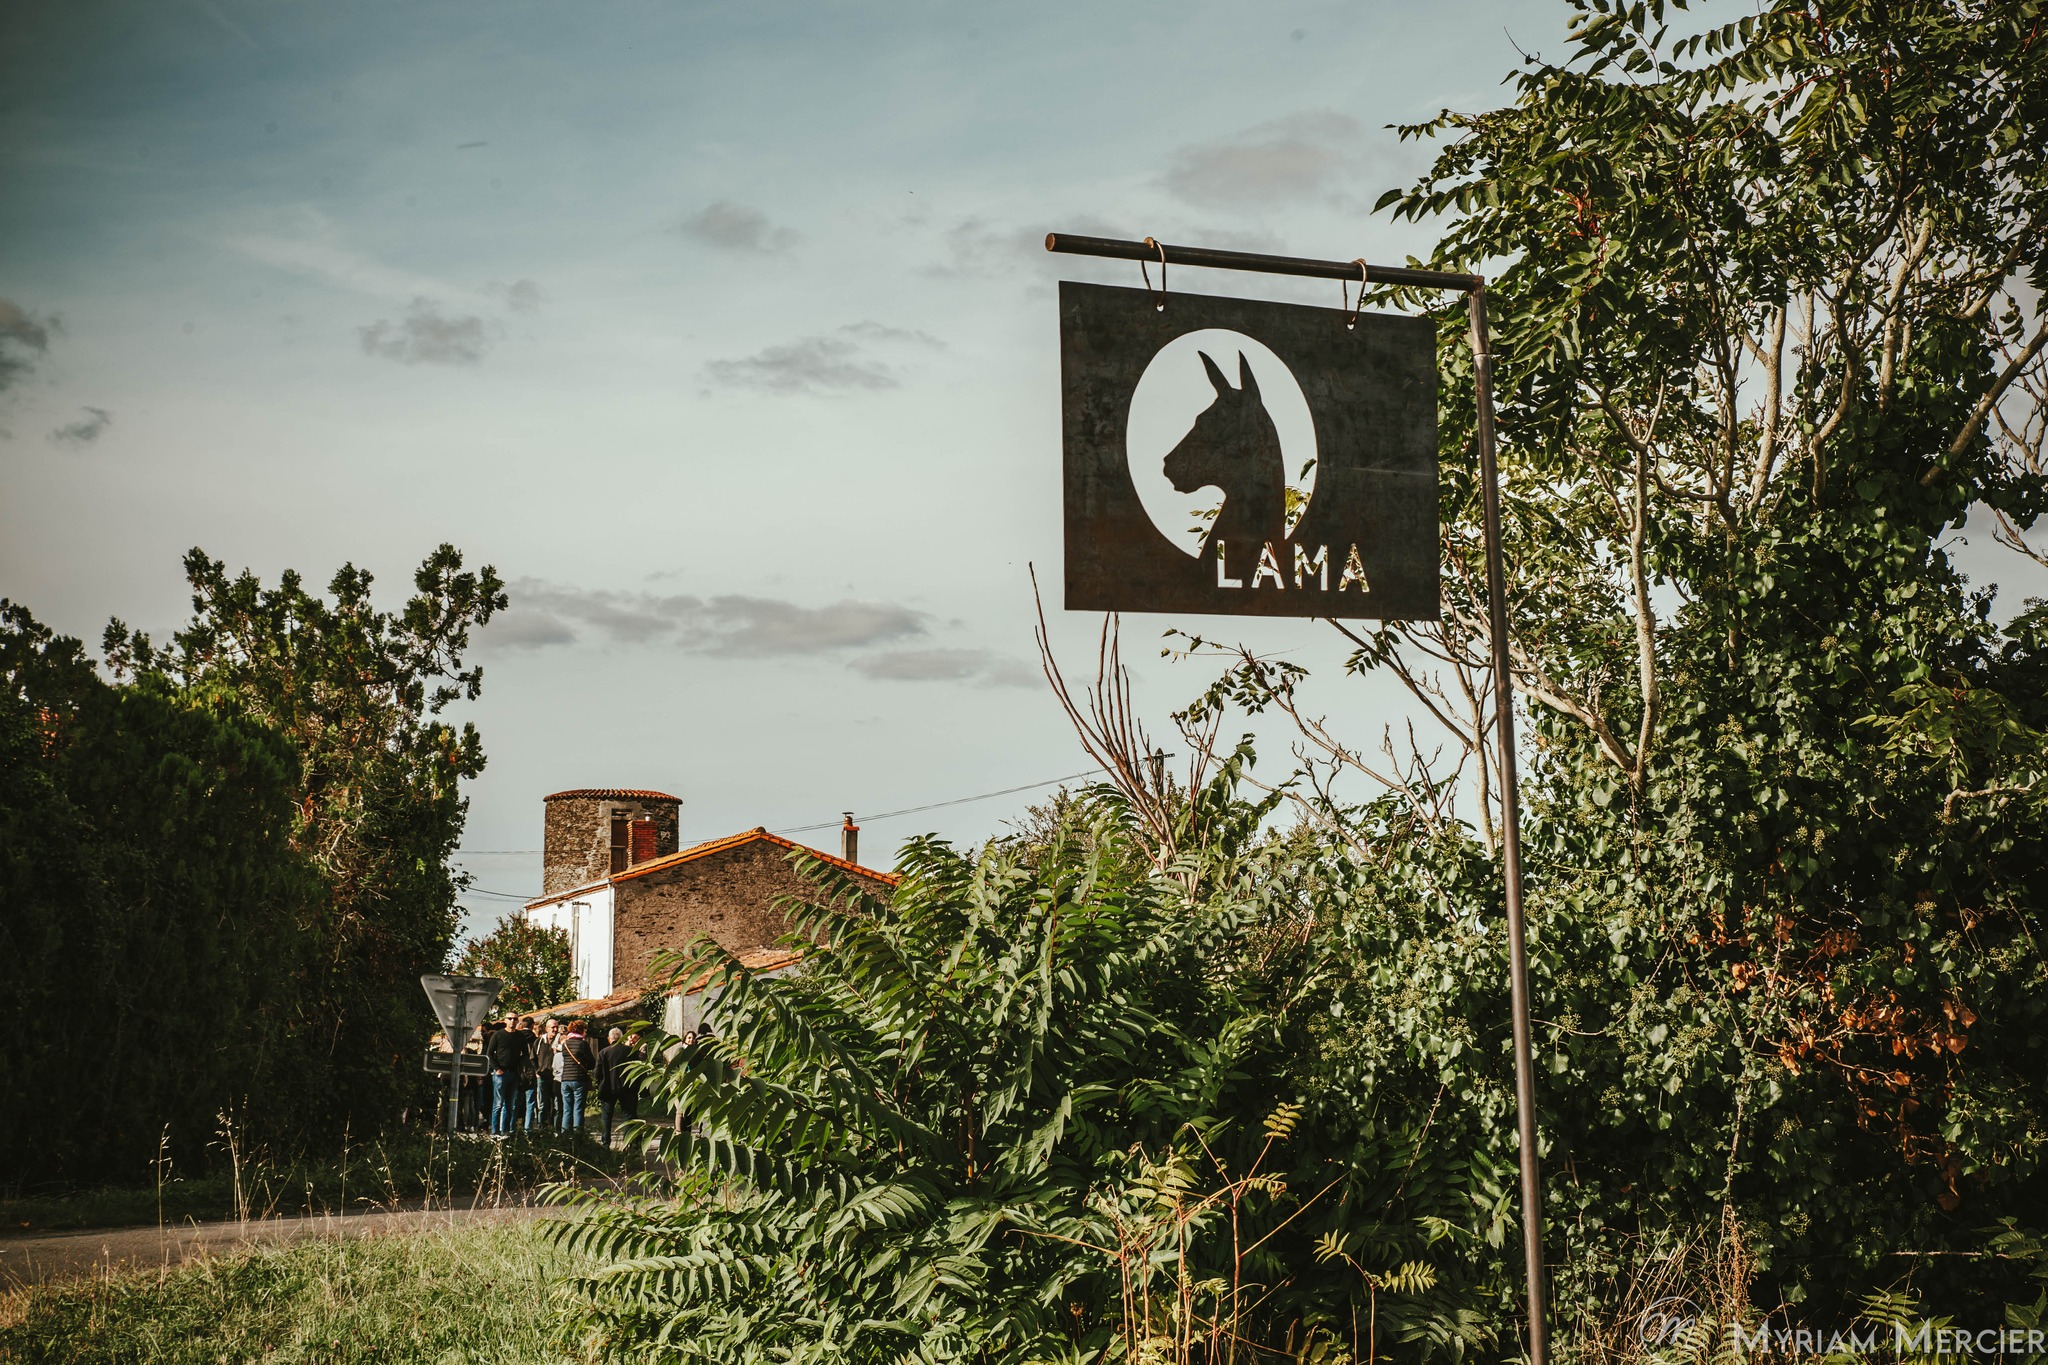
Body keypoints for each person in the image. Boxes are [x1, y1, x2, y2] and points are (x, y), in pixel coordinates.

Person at [593, 1027, 641, 1150]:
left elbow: (597, 1073)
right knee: (629, 1117)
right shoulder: (631, 1051)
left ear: (609, 1039)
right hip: (628, 1088)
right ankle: (627, 1143)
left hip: (609, 1089)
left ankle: (605, 1143)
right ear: (622, 1038)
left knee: (606, 1117)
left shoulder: (603, 1052)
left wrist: (600, 1083)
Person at [484, 1015, 527, 1137]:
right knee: (498, 1103)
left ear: (517, 1020)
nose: (512, 1021)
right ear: (505, 1020)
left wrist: (520, 1067)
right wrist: (497, 1068)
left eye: (514, 1019)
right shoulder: (498, 1035)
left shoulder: (520, 1036)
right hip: (500, 1073)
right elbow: (490, 1053)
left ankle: (506, 1131)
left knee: (510, 1104)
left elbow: (525, 1053)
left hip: (514, 1073)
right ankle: (495, 1131)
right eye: (509, 1018)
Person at [556, 1018, 596, 1137]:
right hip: (579, 1079)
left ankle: (565, 1135)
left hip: (565, 1079)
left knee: (567, 1109)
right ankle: (578, 1135)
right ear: (581, 1030)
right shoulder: (583, 1044)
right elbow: (592, 1062)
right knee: (578, 1109)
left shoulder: (565, 1044)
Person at [533, 1018, 561, 1130]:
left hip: (556, 1077)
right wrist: (536, 1072)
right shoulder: (539, 1042)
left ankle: (556, 1128)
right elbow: (532, 1058)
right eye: (552, 1027)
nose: (554, 1029)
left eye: (556, 1027)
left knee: (557, 1105)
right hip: (543, 1077)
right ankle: (542, 1128)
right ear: (546, 1028)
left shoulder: (560, 1042)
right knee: (542, 1105)